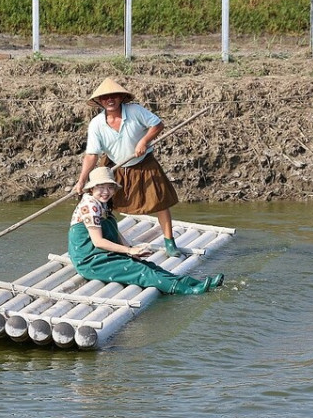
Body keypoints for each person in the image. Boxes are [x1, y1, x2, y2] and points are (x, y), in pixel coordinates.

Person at [68, 167, 223, 295]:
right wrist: (129, 250)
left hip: (104, 254)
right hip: (91, 260)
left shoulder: (103, 204)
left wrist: (131, 251)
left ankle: (194, 283)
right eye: (101, 187)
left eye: (110, 187)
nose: (106, 192)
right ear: (92, 188)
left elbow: (114, 232)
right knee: (141, 271)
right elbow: (98, 241)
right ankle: (188, 291)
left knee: (150, 266)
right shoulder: (90, 206)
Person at [73, 77, 183, 257]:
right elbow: (92, 154)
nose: (110, 100)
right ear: (100, 101)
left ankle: (169, 242)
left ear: (121, 98)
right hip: (114, 167)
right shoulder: (96, 124)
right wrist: (82, 180)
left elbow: (157, 124)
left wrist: (144, 141)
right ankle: (106, 241)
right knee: (104, 202)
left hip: (143, 162)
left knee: (160, 201)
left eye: (114, 96)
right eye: (105, 97)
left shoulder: (135, 111)